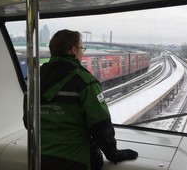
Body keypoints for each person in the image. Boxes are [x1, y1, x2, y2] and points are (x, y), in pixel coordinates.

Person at [23, 29, 138, 170]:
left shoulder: (34, 80)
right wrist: (114, 154)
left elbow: (28, 122)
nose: (82, 53)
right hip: (75, 161)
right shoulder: (85, 82)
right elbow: (101, 127)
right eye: (81, 48)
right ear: (73, 50)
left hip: (39, 159)